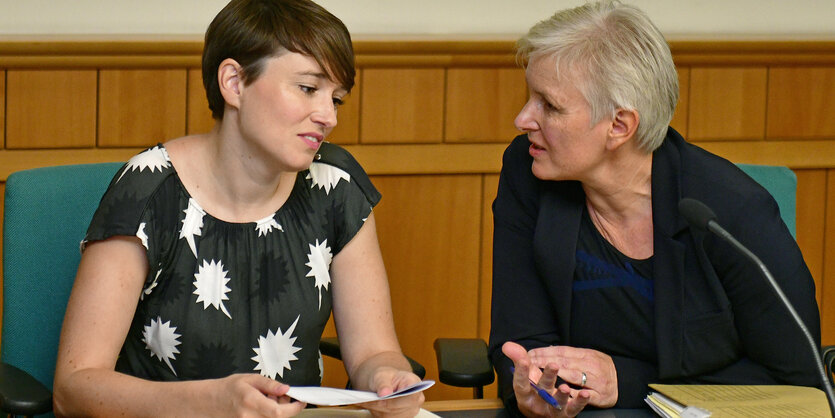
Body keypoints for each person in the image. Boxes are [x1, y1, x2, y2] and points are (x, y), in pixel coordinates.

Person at [52, 0, 424, 416]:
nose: (328, 116)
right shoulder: (149, 193)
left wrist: (387, 377)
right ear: (234, 83)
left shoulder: (335, 187)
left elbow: (374, 351)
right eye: (307, 88)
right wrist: (210, 403)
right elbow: (73, 388)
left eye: (335, 99)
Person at [488, 1, 822, 417]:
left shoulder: (732, 213)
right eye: (529, 98)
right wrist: (534, 391)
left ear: (619, 126)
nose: (522, 119)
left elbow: (797, 383)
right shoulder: (529, 171)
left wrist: (625, 382)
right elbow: (520, 340)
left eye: (549, 106)